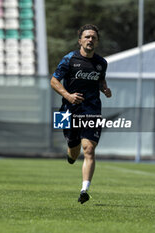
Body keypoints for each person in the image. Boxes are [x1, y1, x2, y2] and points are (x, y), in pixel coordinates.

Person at [50, 24, 112, 204]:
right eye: (87, 37)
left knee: (89, 149)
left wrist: (105, 89)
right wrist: (68, 96)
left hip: (91, 110)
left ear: (97, 41)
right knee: (74, 149)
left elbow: (100, 80)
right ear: (80, 41)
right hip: (68, 111)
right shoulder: (69, 59)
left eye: (93, 37)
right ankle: (70, 155)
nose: (90, 40)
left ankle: (84, 190)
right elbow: (54, 81)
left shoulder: (101, 63)